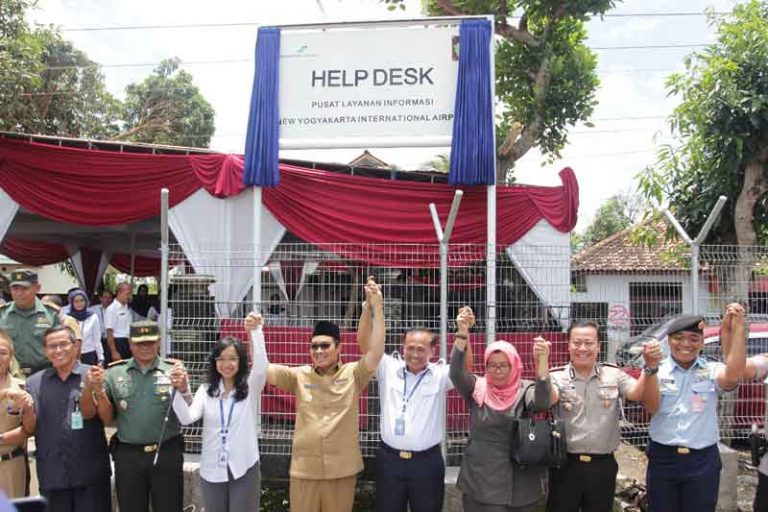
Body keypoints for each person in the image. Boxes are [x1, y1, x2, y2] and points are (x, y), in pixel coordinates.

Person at [243, 276, 385, 512]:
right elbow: (263, 369)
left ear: (339, 348)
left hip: (341, 470)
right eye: (314, 346)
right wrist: (254, 334)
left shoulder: (354, 373)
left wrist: (377, 309)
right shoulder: (299, 375)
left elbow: (376, 352)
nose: (319, 351)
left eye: (325, 345)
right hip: (304, 471)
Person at [357, 303, 474, 512]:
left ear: (432, 350)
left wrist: (463, 332)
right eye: (410, 348)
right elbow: (365, 345)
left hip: (426, 464)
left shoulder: (440, 374)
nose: (415, 354)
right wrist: (368, 309)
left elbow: (465, 369)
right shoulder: (387, 367)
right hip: (389, 461)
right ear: (403, 347)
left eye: (421, 349)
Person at [547, 320, 663, 512]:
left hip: (603, 466)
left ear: (599, 346)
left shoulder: (613, 375)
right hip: (565, 466)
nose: (582, 348)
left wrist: (649, 368)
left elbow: (635, 393)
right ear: (568, 346)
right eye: (576, 343)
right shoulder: (556, 377)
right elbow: (546, 400)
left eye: (589, 343)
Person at [645, 309, 746, 512]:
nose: (685, 344)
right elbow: (650, 406)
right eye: (679, 338)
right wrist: (650, 369)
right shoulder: (656, 369)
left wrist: (738, 329)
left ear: (701, 342)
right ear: (669, 340)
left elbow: (734, 375)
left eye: (693, 338)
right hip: (664, 458)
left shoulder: (711, 370)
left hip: (702, 461)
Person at [449, 321, 554, 512]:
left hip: (521, 486)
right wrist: (462, 333)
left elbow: (543, 402)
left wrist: (543, 362)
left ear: (514, 365)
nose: (498, 371)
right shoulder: (477, 389)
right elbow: (456, 372)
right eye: (492, 366)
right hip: (481, 483)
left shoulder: (526, 389)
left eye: (504, 365)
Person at [169, 317, 268, 512]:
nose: (226, 364)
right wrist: (176, 391)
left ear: (240, 361)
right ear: (214, 362)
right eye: (221, 359)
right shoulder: (206, 391)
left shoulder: (249, 388)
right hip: (212, 469)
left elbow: (261, 367)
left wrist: (256, 332)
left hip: (244, 466)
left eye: (232, 358)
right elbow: (187, 417)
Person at [88, 320, 183, 512]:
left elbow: (188, 411)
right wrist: (98, 390)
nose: (145, 347)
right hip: (129, 456)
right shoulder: (114, 373)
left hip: (166, 452)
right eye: (139, 343)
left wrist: (184, 387)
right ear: (130, 344)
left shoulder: (174, 371)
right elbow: (106, 418)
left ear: (158, 342)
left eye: (150, 342)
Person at [24, 325, 111, 512]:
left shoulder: (94, 375)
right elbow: (30, 427)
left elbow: (108, 418)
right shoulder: (34, 383)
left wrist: (96, 389)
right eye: (51, 346)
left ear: (76, 346)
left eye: (63, 344)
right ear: (45, 351)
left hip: (90, 474)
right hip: (53, 473)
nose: (58, 350)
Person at [0, 269, 61, 376]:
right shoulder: (2, 314)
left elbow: (60, 347)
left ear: (37, 288)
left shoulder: (51, 314)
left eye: (24, 288)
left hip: (44, 374)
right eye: (15, 288)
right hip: (9, 375)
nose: (19, 293)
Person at [0, 331, 29, 498]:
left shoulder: (22, 389)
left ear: (10, 357)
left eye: (2, 353)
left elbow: (27, 430)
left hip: (11, 466)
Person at [67, 290, 103, 366]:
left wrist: (101, 357)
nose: (79, 304)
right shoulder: (67, 318)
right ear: (72, 303)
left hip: (90, 354)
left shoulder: (93, 317)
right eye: (76, 301)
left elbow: (97, 339)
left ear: (86, 301)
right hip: (73, 355)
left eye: (82, 300)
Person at [104, 283, 132, 362]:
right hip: (117, 343)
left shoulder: (126, 309)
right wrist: (114, 352)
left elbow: (128, 330)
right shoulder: (111, 309)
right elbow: (109, 332)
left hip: (127, 343)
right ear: (119, 293)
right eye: (127, 294)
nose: (129, 296)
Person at [88, 290, 113, 366]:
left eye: (109, 298)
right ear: (100, 298)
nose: (107, 300)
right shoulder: (92, 310)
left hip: (110, 340)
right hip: (97, 340)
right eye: (105, 297)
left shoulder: (115, 309)